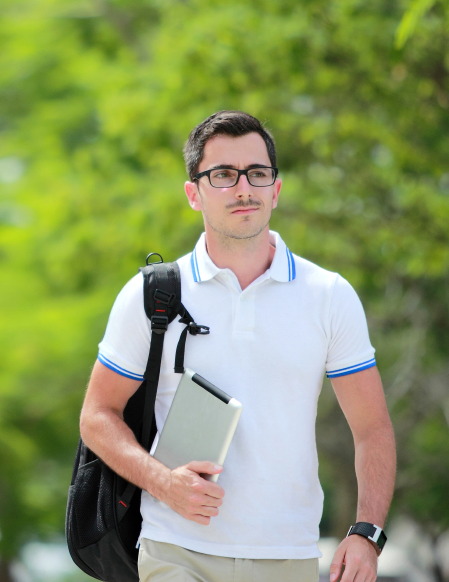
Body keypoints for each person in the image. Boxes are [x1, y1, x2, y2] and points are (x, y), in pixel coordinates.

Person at [79, 111, 396, 582]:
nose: (243, 188)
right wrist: (163, 483)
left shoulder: (328, 295)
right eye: (223, 175)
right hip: (176, 548)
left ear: (276, 189)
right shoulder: (153, 295)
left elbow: (371, 428)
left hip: (288, 555)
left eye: (257, 173)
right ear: (194, 193)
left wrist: (367, 532)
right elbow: (96, 417)